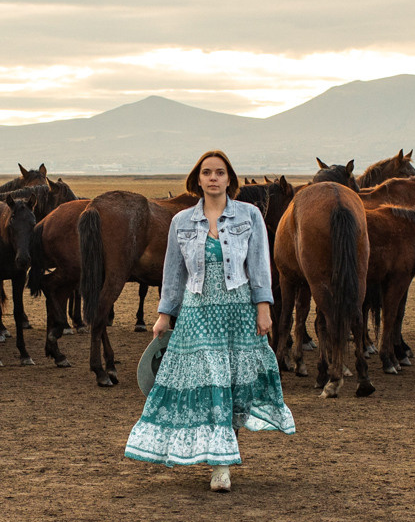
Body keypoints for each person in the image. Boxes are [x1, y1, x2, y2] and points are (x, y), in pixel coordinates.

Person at [122, 149, 295, 491]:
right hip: (198, 313)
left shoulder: (249, 216)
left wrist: (264, 306)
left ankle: (224, 452)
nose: (213, 178)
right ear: (197, 179)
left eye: (219, 172)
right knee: (211, 383)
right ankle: (221, 465)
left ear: (229, 178)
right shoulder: (181, 222)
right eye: (207, 173)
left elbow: (260, 265)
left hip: (239, 311)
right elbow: (172, 274)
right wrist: (163, 315)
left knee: (234, 386)